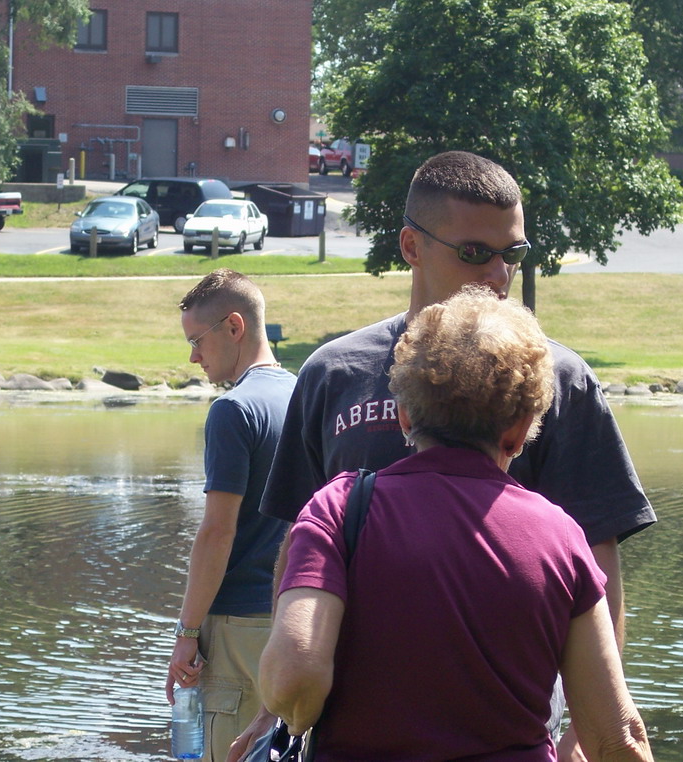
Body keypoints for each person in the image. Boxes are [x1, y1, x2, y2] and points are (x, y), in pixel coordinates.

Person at [228, 151, 655, 762]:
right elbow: (297, 548)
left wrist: (581, 732)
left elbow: (596, 563)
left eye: (513, 253)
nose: (499, 273)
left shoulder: (556, 380)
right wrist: (277, 709)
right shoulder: (333, 373)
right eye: (476, 252)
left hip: (513, 719)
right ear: (412, 246)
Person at [166, 268, 297, 762]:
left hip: (240, 627)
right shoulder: (306, 395)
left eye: (197, 341)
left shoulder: (234, 410)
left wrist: (187, 634)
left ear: (234, 327)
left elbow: (217, 532)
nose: (193, 357)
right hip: (304, 617)